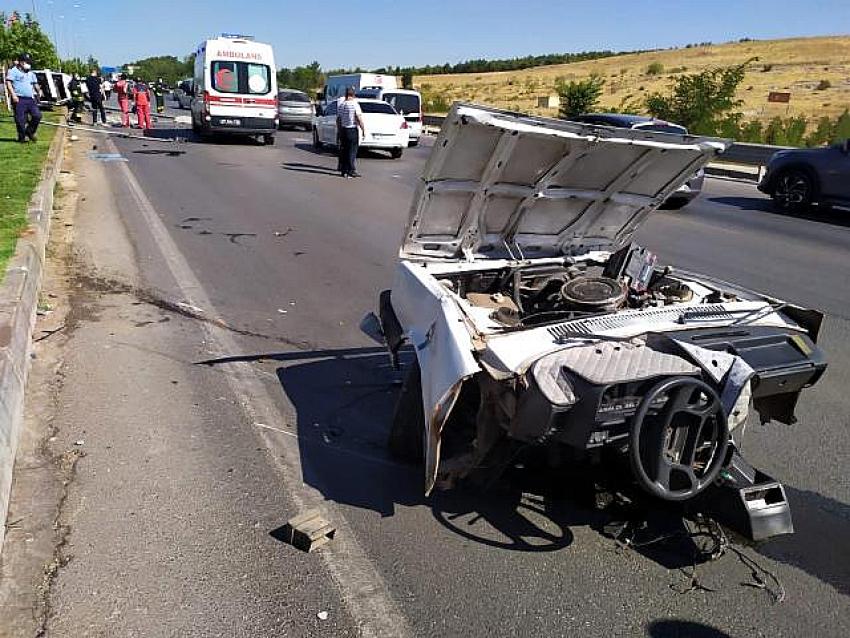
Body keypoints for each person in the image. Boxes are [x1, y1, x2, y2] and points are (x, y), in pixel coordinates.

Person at [4, 53, 42, 143]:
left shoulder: (31, 73)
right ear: (21, 62)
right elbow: (8, 83)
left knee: (37, 115)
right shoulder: (13, 71)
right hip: (19, 98)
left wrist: (39, 90)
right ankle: (22, 138)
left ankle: (29, 132)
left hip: (30, 99)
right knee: (20, 121)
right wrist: (13, 95)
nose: (29, 64)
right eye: (27, 62)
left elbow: (35, 84)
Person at [336, 87, 365, 178]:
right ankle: (351, 170)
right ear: (353, 94)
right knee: (352, 151)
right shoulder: (354, 104)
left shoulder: (342, 105)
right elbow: (359, 118)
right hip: (352, 129)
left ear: (346, 94)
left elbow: (338, 119)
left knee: (344, 150)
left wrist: (340, 130)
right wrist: (363, 129)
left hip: (343, 130)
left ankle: (344, 170)